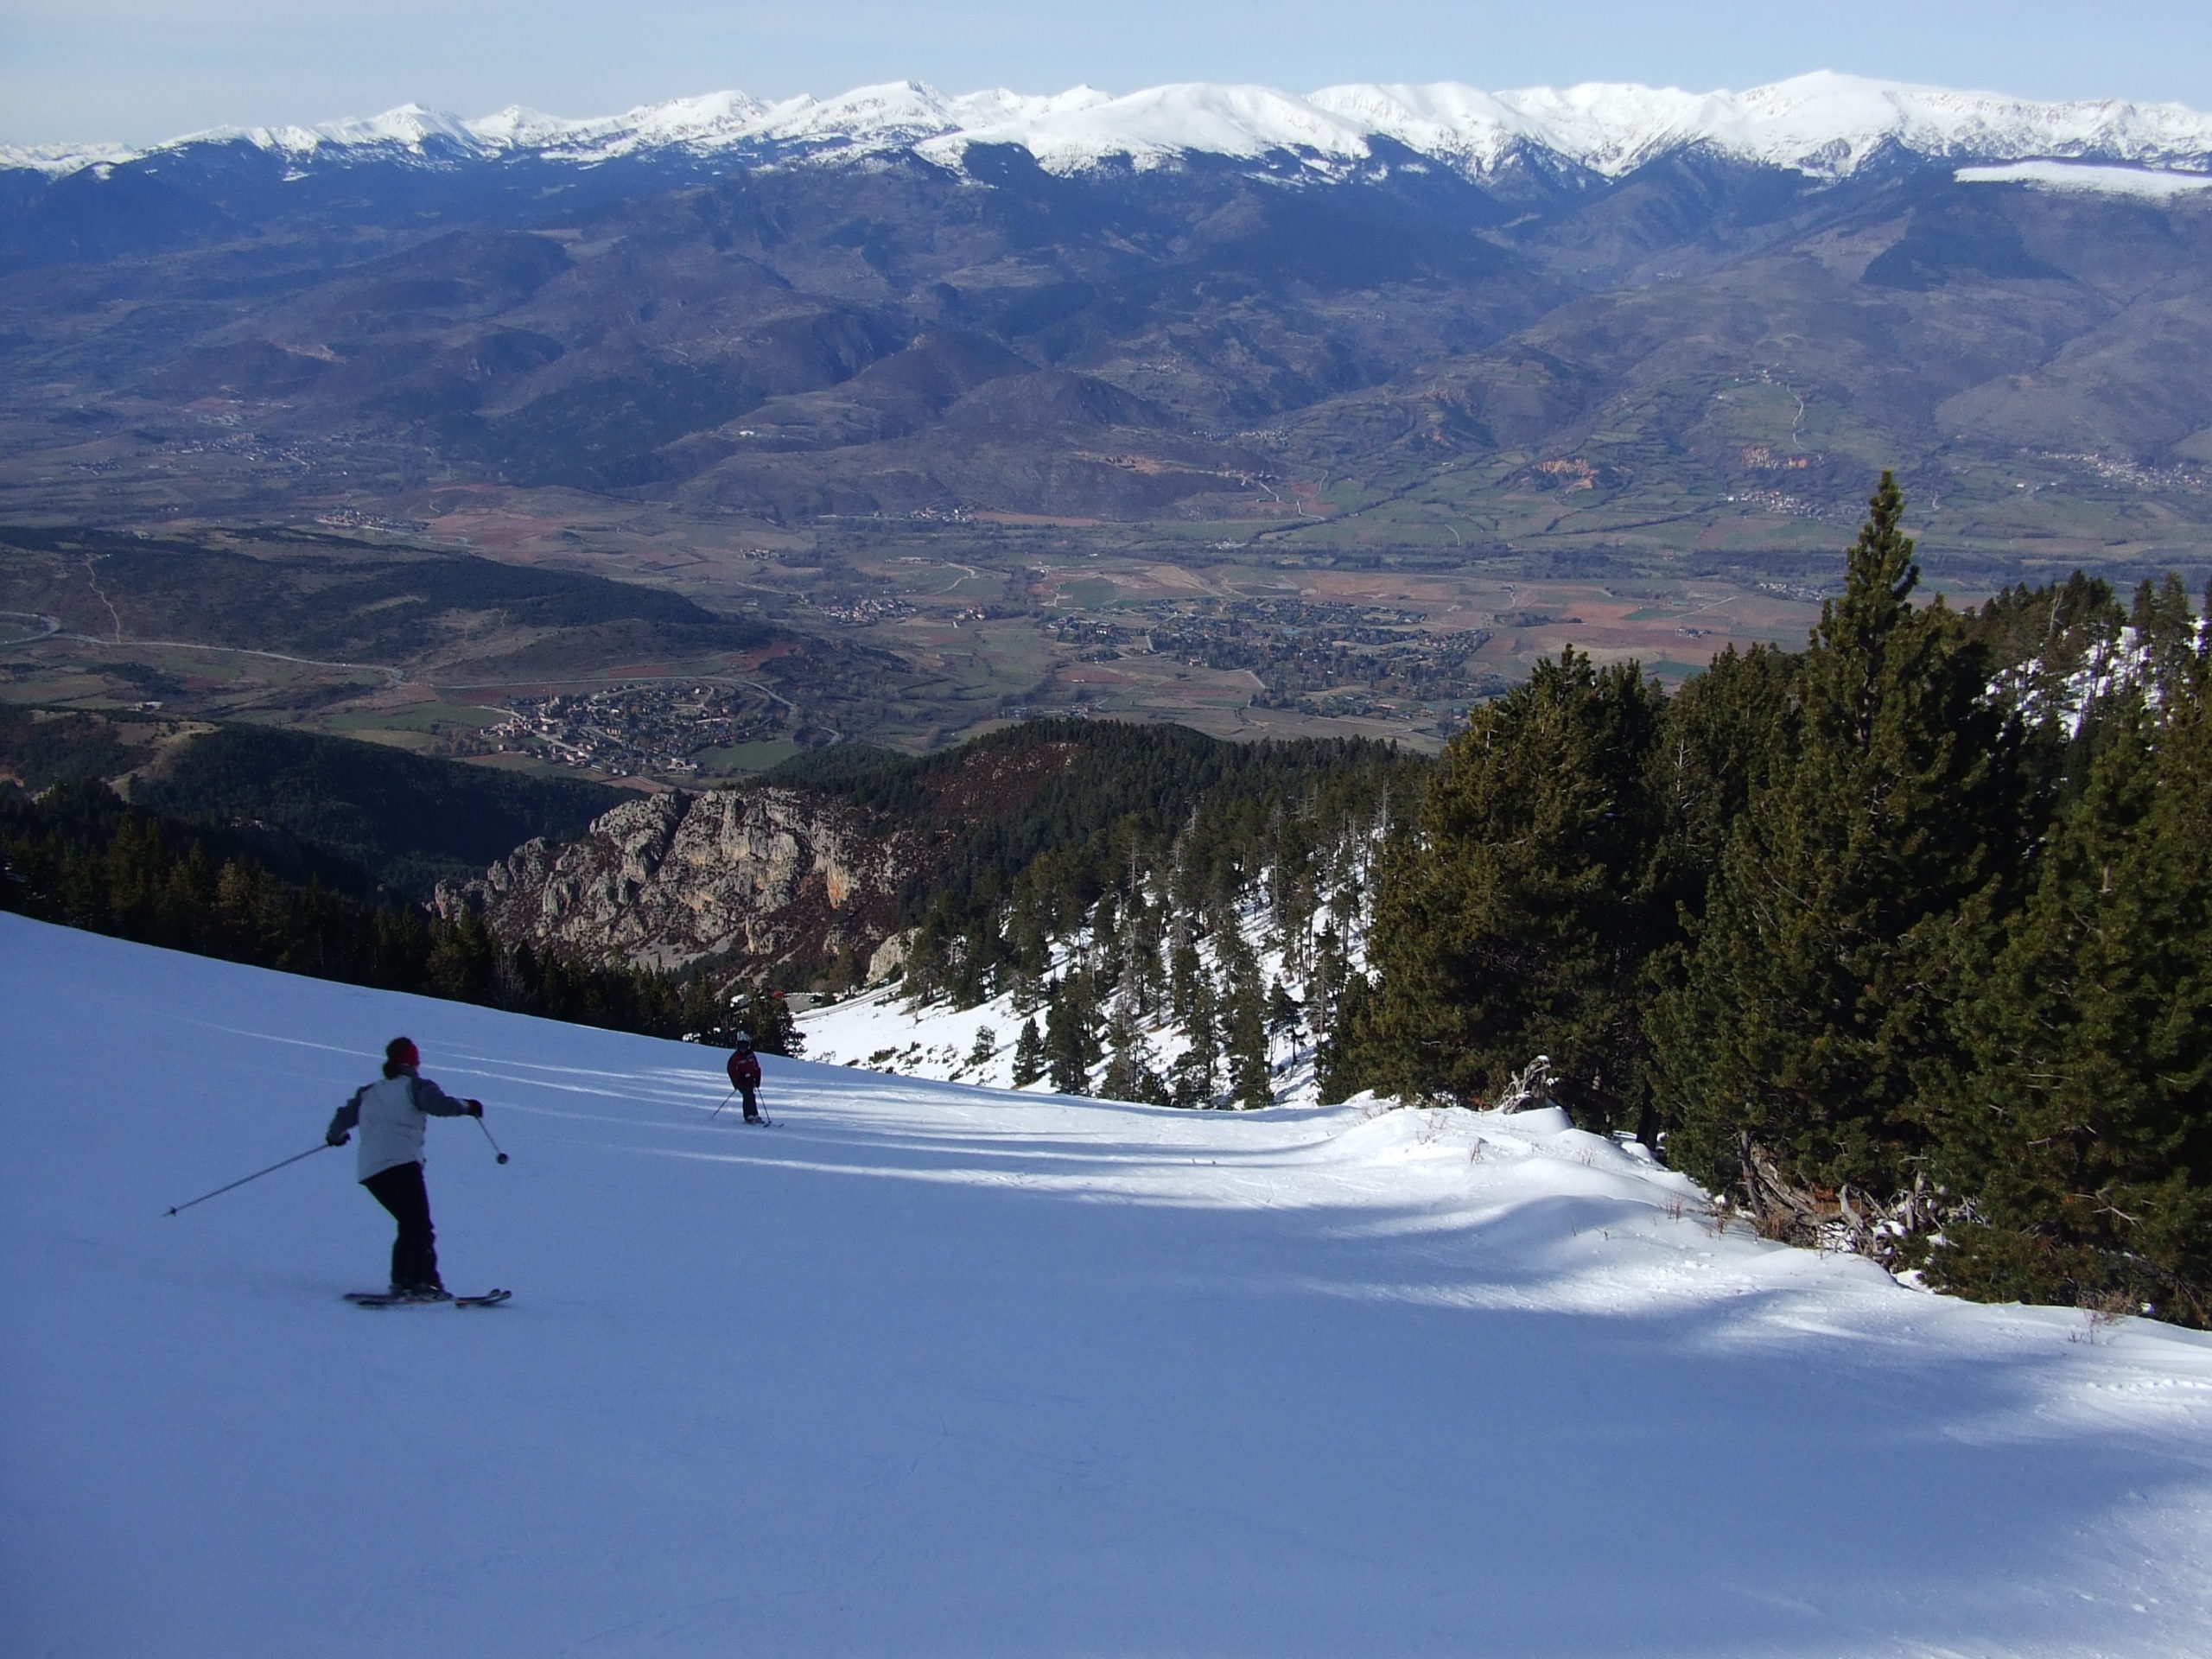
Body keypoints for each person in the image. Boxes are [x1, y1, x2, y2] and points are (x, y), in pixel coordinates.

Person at [326, 1037, 483, 1300]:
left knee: (410, 1223)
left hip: (371, 1170)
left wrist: (335, 1136)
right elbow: (439, 1105)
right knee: (419, 1225)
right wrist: (469, 1106)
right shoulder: (417, 1086)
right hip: (402, 1163)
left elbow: (344, 1117)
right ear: (412, 1063)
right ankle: (425, 1284)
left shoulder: (369, 1092)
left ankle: (403, 1281)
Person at [726, 1032, 764, 1124]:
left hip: (750, 1079)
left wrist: (757, 1078)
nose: (743, 1048)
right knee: (747, 1094)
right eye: (741, 1046)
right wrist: (738, 1080)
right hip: (741, 1081)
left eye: (745, 1045)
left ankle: (755, 1114)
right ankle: (748, 1115)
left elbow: (756, 1067)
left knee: (751, 1095)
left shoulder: (751, 1055)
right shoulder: (736, 1057)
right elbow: (731, 1070)